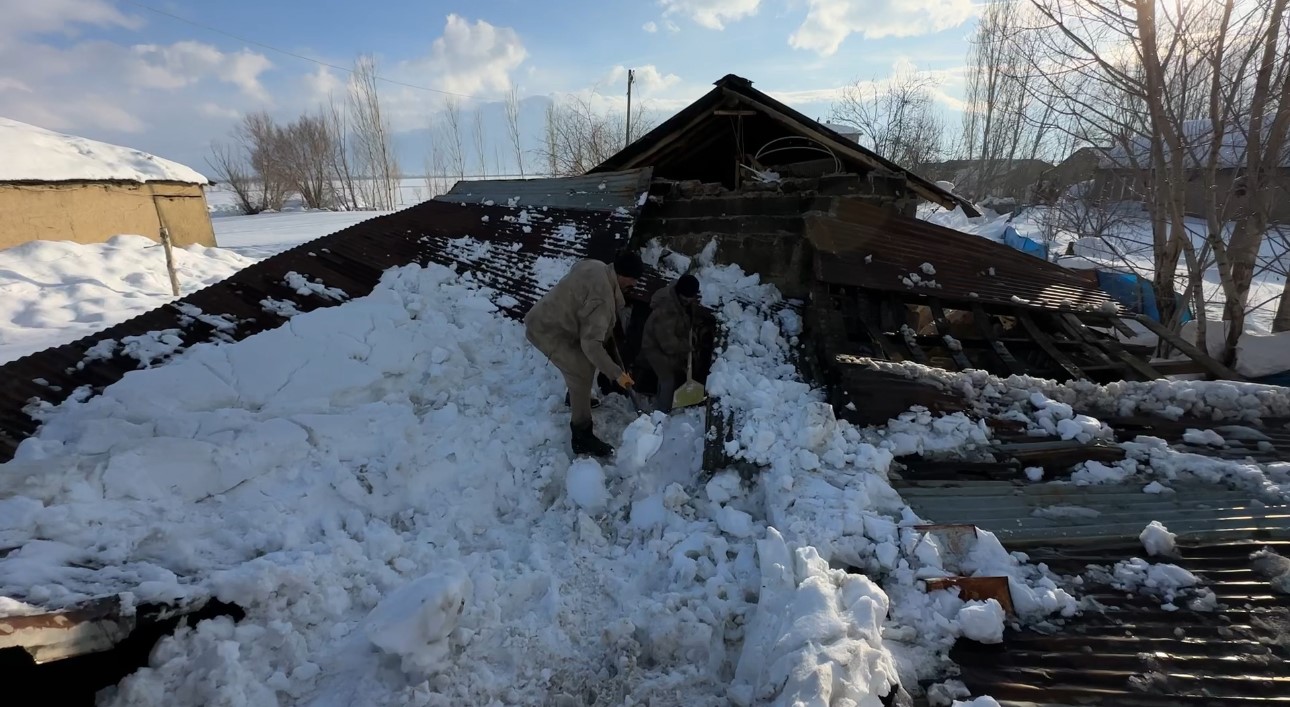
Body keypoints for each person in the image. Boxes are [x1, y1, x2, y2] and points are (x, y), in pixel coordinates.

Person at [524, 251, 643, 457]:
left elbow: (577, 268)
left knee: (584, 362)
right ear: (623, 275)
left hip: (550, 319)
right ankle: (582, 436)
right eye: (633, 280)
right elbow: (591, 346)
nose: (633, 284)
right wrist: (616, 373)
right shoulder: (603, 300)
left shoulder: (596, 264)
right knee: (581, 371)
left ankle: (575, 396)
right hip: (547, 331)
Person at [639, 274, 702, 414]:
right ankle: (662, 413)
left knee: (675, 370)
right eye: (686, 298)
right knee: (667, 379)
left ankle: (660, 400)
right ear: (680, 294)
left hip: (669, 339)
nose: (689, 301)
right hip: (654, 345)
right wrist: (688, 346)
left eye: (691, 298)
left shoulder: (681, 299)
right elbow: (669, 345)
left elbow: (684, 320)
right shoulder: (666, 310)